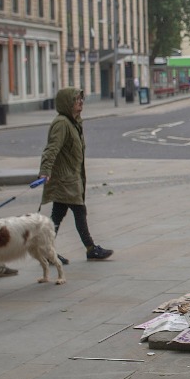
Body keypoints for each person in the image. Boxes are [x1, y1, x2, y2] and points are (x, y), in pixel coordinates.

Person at [39, 88, 113, 263]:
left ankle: (48, 251)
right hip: (65, 179)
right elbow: (51, 149)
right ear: (67, 103)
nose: (80, 102)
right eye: (76, 100)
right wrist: (45, 171)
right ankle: (90, 249)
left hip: (71, 177)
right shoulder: (62, 123)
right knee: (78, 211)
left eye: (81, 99)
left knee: (59, 214)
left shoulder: (74, 122)